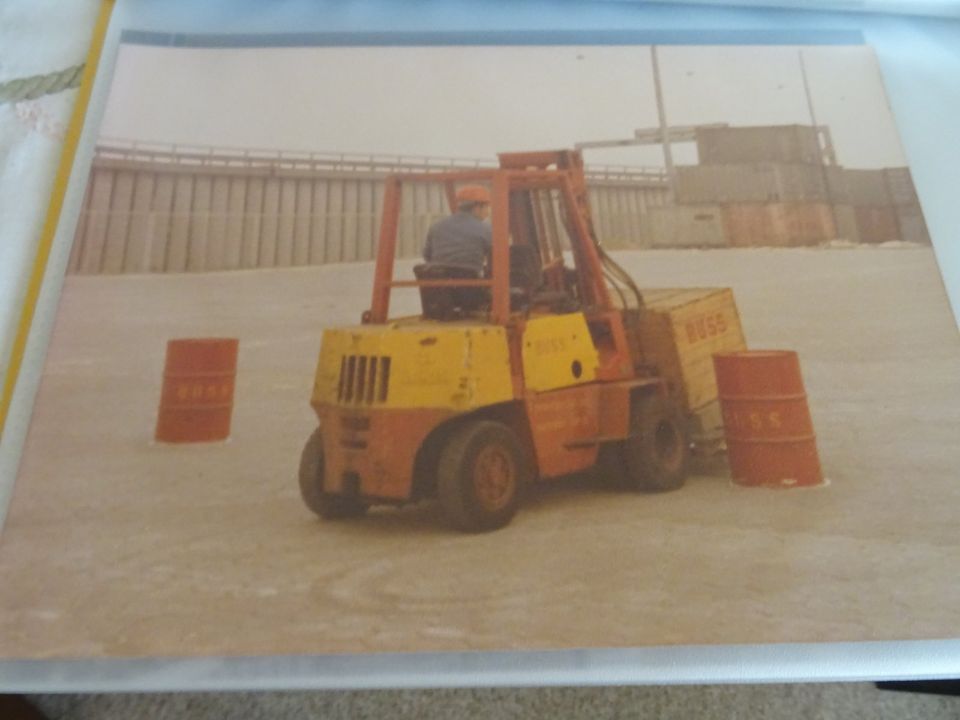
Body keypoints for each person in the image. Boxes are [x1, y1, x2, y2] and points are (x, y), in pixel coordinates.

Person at [423, 185, 492, 274]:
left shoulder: (436, 226)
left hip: (438, 285)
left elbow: (427, 256)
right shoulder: (486, 229)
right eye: (487, 207)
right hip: (470, 285)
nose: (488, 212)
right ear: (477, 206)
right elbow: (495, 257)